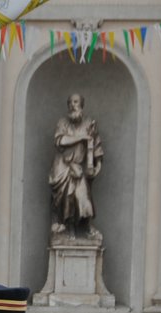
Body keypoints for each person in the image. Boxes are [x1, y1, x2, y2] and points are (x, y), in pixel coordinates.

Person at [50, 93, 103, 236]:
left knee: (83, 197)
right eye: (70, 103)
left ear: (82, 104)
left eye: (76, 102)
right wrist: (81, 137)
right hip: (63, 166)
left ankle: (87, 228)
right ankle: (67, 228)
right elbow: (60, 141)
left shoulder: (89, 123)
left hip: (79, 167)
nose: (73, 105)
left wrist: (98, 163)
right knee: (65, 198)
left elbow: (95, 142)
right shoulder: (62, 122)